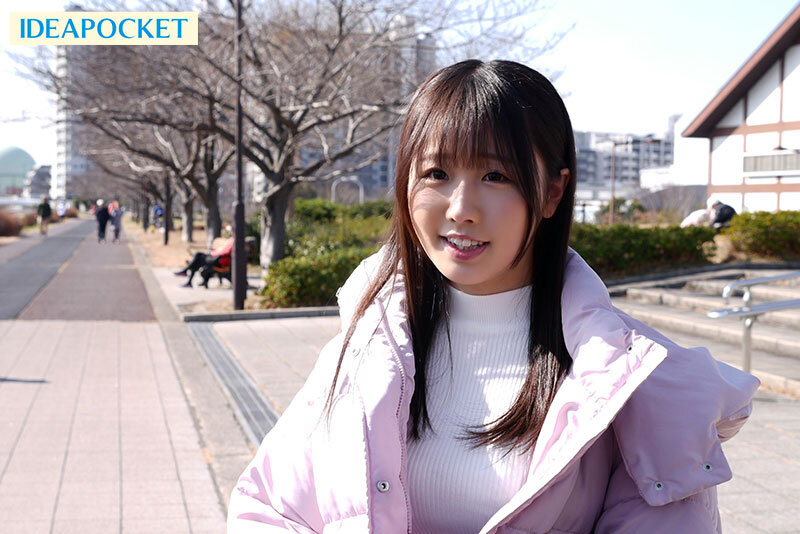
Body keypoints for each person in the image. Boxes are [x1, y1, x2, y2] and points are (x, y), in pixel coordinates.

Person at [228, 60, 759, 533]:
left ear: (553, 192)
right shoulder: (367, 341)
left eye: (495, 175)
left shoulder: (628, 379)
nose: (461, 208)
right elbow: (267, 506)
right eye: (436, 173)